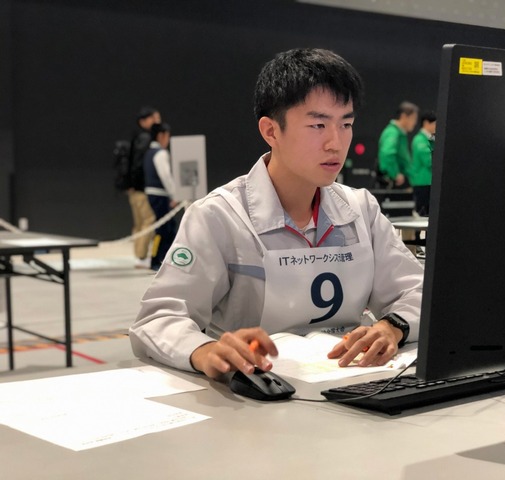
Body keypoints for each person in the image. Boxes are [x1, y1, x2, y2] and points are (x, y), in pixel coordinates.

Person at [129, 48, 423, 380]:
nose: (336, 143)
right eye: (317, 125)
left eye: (346, 124)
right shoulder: (220, 216)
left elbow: (417, 292)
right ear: (271, 131)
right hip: (256, 394)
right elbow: (158, 318)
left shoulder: (361, 210)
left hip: (355, 385)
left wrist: (392, 326)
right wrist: (203, 350)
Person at [127, 106, 161, 269]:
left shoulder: (137, 137)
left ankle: (139, 256)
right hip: (142, 189)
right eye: (154, 119)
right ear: (144, 121)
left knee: (140, 222)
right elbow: (139, 165)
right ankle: (141, 256)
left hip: (135, 189)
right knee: (148, 221)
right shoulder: (146, 139)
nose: (157, 122)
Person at [143, 122, 178, 271]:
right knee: (165, 228)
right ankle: (157, 259)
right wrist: (174, 195)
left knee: (165, 227)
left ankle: (159, 259)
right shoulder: (160, 153)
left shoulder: (149, 152)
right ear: (161, 135)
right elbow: (166, 176)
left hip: (153, 194)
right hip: (160, 195)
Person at [377, 101, 419, 188]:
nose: (415, 123)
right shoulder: (393, 132)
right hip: (392, 184)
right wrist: (395, 174)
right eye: (413, 118)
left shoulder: (400, 133)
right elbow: (387, 153)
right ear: (403, 116)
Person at [409, 111, 436, 217]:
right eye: (434, 123)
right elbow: (429, 160)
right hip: (422, 182)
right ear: (426, 123)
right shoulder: (419, 140)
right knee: (423, 214)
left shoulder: (429, 138)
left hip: (428, 182)